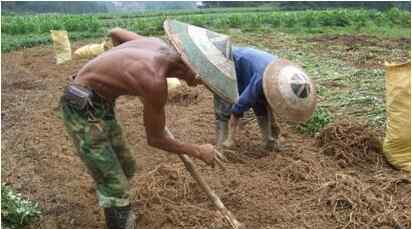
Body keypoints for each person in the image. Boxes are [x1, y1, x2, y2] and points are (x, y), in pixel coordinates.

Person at [60, 28, 218, 229]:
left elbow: (116, 33)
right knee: (114, 183)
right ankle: (119, 216)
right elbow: (155, 139)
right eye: (207, 78)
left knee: (127, 166)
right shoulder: (153, 80)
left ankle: (115, 200)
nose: (204, 83)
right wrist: (197, 150)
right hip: (79, 109)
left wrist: (121, 74)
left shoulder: (156, 44)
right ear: (196, 69)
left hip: (102, 104)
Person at [214, 47, 281, 151]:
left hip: (253, 66)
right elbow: (240, 106)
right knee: (228, 99)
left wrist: (273, 123)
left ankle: (268, 141)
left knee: (260, 101)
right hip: (232, 62)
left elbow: (266, 100)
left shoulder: (281, 75)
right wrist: (231, 138)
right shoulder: (261, 79)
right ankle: (224, 141)